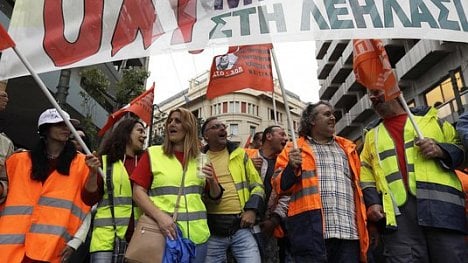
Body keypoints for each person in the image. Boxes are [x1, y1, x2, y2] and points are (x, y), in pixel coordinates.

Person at [360, 89, 466, 262]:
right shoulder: (372, 135)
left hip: (441, 208)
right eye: (370, 95)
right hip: (397, 215)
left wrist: (441, 150)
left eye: (378, 92)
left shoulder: (433, 121)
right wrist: (372, 202)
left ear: (395, 92)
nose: (372, 98)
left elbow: (462, 151)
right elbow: (365, 172)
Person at [0, 108, 101, 263]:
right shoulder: (18, 160)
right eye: (59, 124)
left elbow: (89, 201)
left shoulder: (83, 163)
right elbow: (4, 192)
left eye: (67, 124)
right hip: (13, 245)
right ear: (45, 130)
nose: (66, 128)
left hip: (51, 247)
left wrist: (93, 173)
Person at [272, 101, 368, 262]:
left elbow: (359, 187)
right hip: (310, 233)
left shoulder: (348, 148)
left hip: (349, 233)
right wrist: (290, 167)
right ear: (312, 121)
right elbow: (278, 186)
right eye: (326, 114)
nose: (333, 117)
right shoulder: (293, 148)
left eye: (333, 114)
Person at [131, 108, 222, 263]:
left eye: (178, 121)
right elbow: (137, 192)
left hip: (198, 238)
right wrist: (160, 217)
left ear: (189, 127)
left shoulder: (202, 159)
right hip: (163, 236)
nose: (171, 124)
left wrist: (213, 181)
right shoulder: (153, 154)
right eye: (170, 121)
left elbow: (215, 197)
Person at [201, 116, 264, 263]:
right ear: (206, 136)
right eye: (216, 127)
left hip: (241, 228)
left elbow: (257, 186)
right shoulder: (199, 158)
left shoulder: (240, 154)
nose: (222, 128)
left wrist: (252, 210)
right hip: (211, 231)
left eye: (223, 126)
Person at [81, 118, 146, 262]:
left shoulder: (146, 163)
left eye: (144, 132)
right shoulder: (103, 161)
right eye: (140, 131)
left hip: (138, 239)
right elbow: (88, 199)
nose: (144, 135)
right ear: (126, 133)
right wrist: (92, 173)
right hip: (105, 239)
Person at [246, 125, 291, 263]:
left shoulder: (285, 162)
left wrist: (274, 220)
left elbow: (287, 194)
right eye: (282, 134)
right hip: (244, 222)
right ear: (269, 136)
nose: (286, 138)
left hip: (269, 226)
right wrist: (249, 168)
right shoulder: (246, 155)